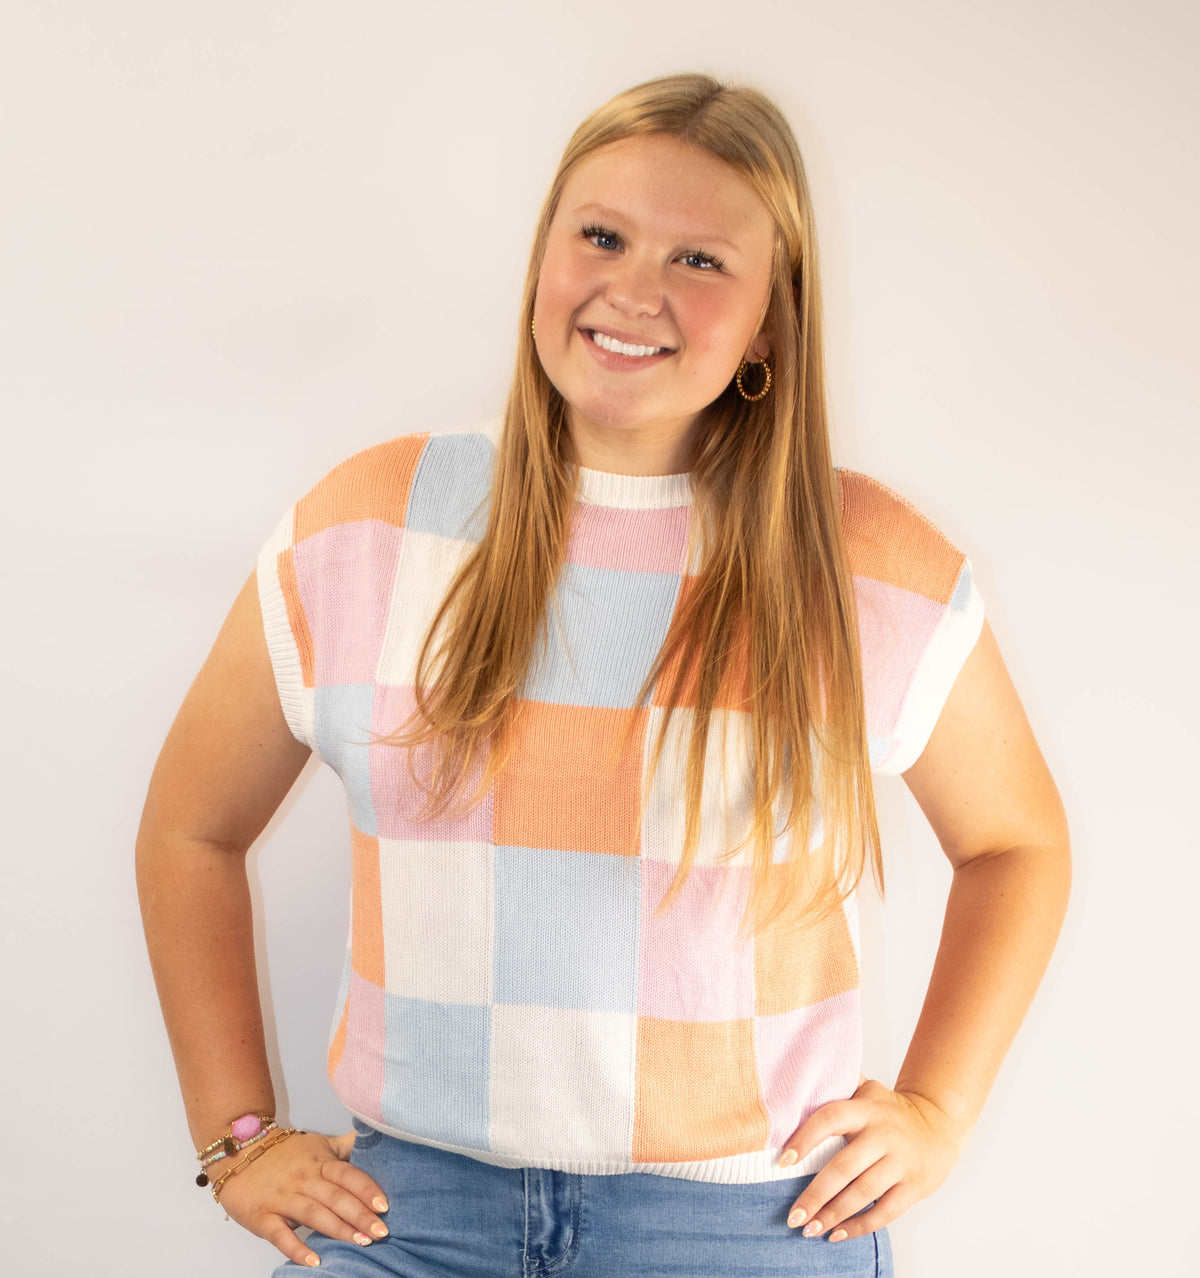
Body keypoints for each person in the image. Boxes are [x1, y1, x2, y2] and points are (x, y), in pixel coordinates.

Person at [136, 72, 1071, 1277]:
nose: (634, 289)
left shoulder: (869, 565)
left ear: (773, 320)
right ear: (544, 258)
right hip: (409, 1218)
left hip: (743, 1229)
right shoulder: (368, 524)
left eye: (701, 260)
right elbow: (188, 830)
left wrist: (939, 1112)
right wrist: (238, 1139)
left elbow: (1018, 846)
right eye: (602, 235)